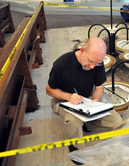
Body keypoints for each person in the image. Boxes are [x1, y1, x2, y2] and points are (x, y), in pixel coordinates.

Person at [46, 37, 122, 165]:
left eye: (96, 64)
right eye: (90, 61)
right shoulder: (62, 65)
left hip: (87, 98)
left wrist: (96, 102)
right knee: (73, 121)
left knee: (115, 121)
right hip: (63, 101)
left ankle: (85, 123)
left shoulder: (97, 62)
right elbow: (49, 90)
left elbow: (99, 87)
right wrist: (68, 96)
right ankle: (75, 147)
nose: (93, 67)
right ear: (82, 50)